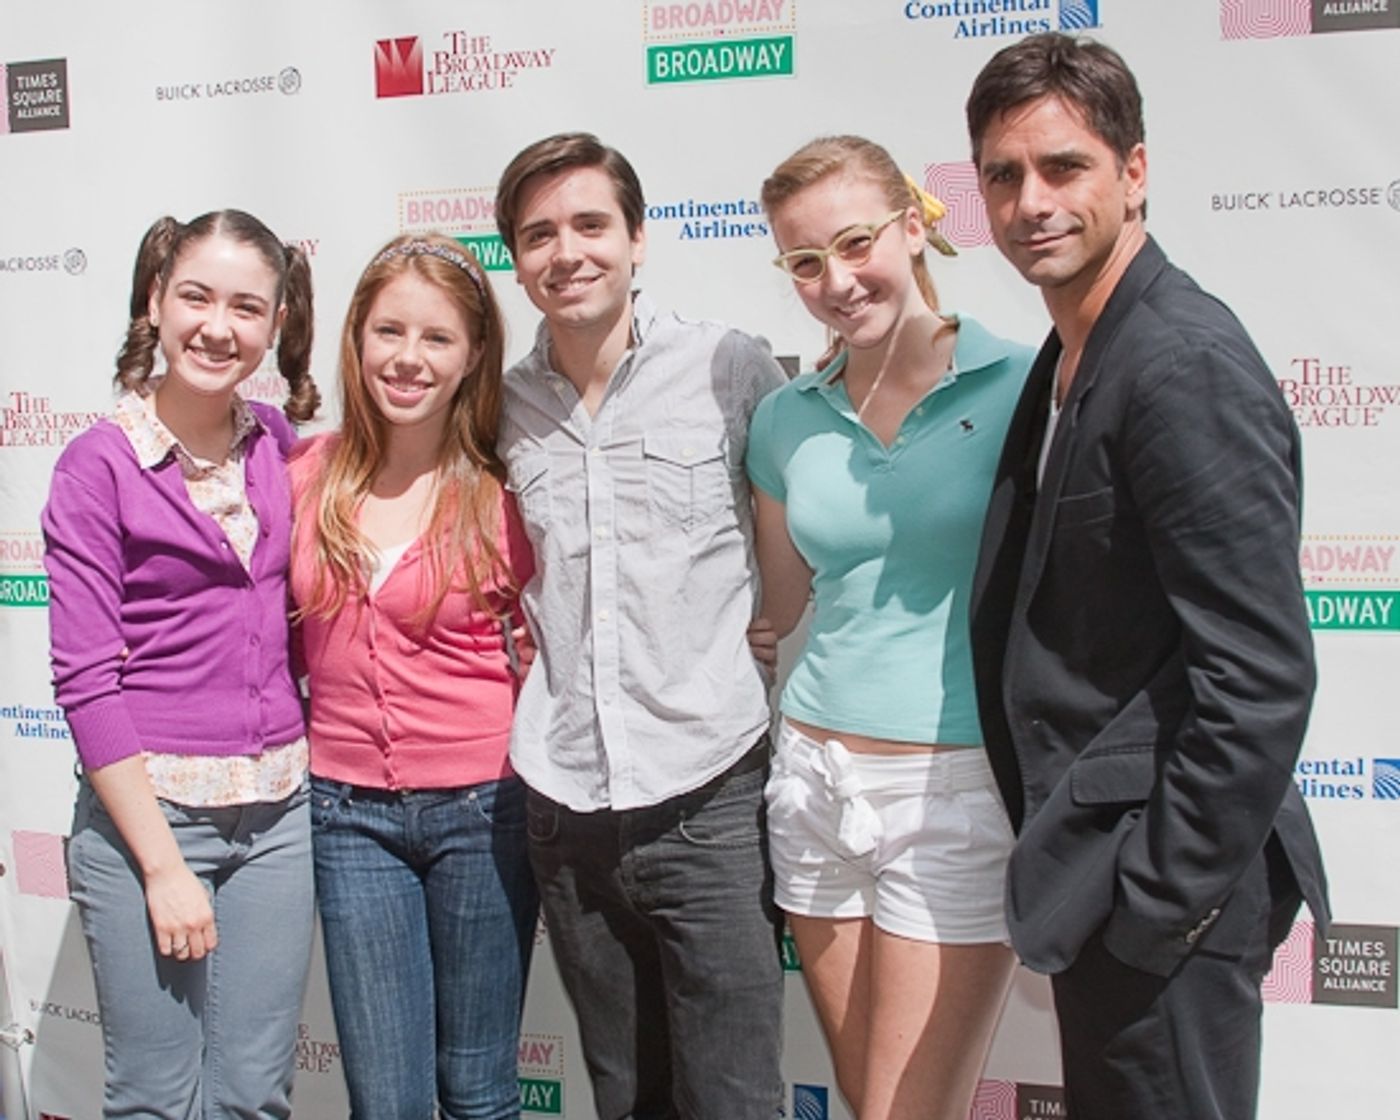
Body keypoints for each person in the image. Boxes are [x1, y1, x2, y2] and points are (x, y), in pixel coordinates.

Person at [965, 32, 1329, 1119]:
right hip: (1105, 872)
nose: (1031, 200)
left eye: (1062, 166)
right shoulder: (1076, 345)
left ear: (1133, 172)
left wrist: (1154, 901)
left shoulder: (1179, 365)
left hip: (1164, 895)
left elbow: (1258, 675)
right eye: (1002, 175)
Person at [492, 132, 786, 1120]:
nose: (565, 252)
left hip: (708, 796)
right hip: (564, 807)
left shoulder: (729, 367)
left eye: (588, 224)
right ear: (516, 259)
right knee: (625, 1097)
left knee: (735, 1098)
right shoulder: (497, 409)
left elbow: (806, 520)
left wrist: (777, 622)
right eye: (538, 235)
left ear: (638, 238)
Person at [746, 135, 1033, 1120]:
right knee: (869, 1095)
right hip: (811, 783)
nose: (835, 279)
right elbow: (776, 609)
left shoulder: (1025, 388)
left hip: (948, 788)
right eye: (803, 261)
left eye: (855, 242)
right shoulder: (784, 418)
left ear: (913, 228)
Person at [44, 209, 319, 1119]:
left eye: (247, 307)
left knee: (253, 1097)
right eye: (196, 296)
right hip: (147, 825)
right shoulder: (98, 465)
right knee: (157, 1100)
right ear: (155, 300)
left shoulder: (283, 448)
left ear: (276, 325)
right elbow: (86, 680)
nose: (217, 326)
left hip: (279, 819)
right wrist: (163, 867)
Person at [288, 233, 538, 1120]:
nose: (407, 358)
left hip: (485, 811)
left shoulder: (509, 487)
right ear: (356, 338)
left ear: (474, 355)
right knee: (385, 1102)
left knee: (477, 1092)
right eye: (388, 330)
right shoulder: (303, 474)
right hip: (345, 814)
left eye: (436, 338)